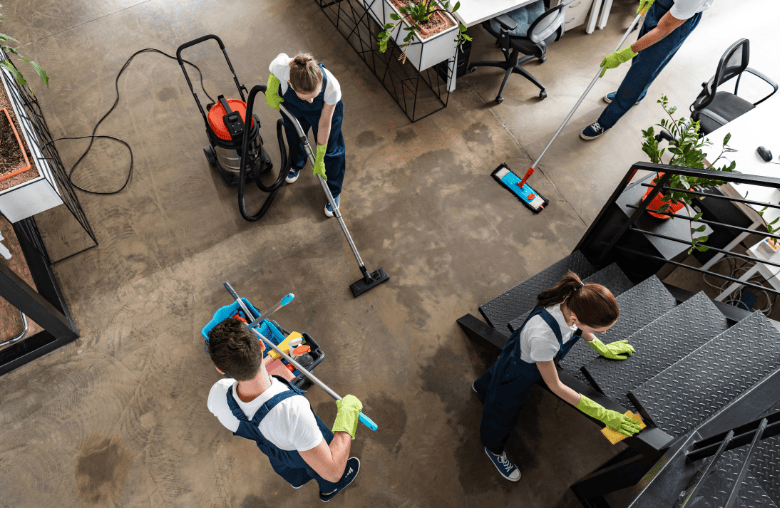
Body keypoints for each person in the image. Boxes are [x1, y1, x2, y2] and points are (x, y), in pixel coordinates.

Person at [473, 272, 642, 481]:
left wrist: (602, 347)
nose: (603, 333)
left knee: (498, 371)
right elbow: (556, 386)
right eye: (600, 331)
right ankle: (493, 449)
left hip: (522, 349)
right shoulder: (545, 338)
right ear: (575, 319)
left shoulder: (574, 298)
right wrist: (603, 414)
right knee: (502, 412)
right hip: (520, 371)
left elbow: (580, 328)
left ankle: (481, 388)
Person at [206, 317, 363, 502]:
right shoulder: (293, 411)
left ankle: (297, 479)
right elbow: (333, 471)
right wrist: (348, 415)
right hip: (295, 446)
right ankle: (329, 490)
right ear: (261, 345)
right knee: (321, 463)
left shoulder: (218, 393)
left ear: (220, 369)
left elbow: (248, 388)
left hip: (271, 446)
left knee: (285, 463)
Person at [580, 0, 713, 140]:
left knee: (640, 73)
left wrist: (625, 54)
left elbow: (662, 30)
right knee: (640, 60)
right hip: (663, 6)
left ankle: (605, 122)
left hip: (678, 22)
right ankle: (638, 95)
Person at [265, 53, 346, 217]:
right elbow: (273, 70)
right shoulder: (282, 67)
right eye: (306, 97)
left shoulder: (332, 87)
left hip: (324, 112)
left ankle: (333, 191)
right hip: (294, 106)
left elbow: (324, 123)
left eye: (314, 96)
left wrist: (320, 156)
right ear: (290, 82)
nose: (310, 101)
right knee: (294, 134)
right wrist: (271, 89)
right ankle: (297, 163)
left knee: (331, 149)